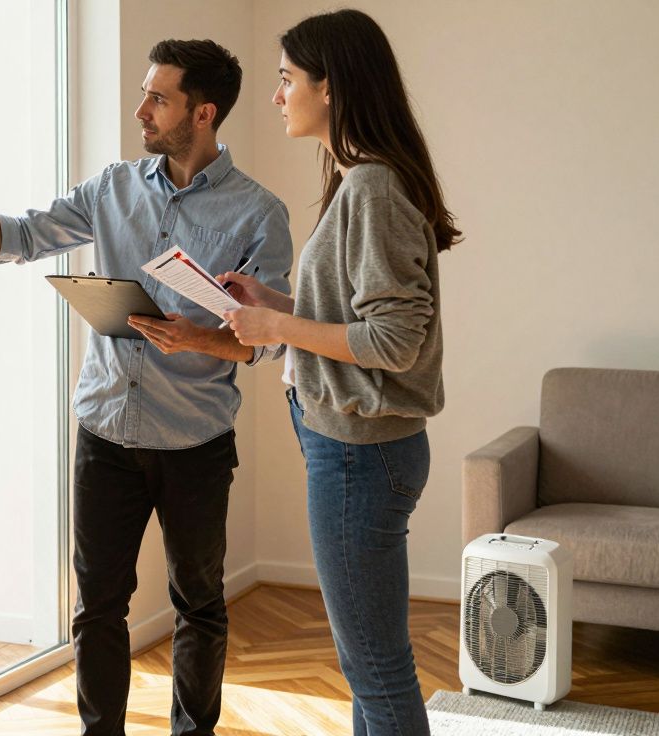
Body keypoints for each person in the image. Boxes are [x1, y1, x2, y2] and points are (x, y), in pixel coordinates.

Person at [0, 39, 292, 736]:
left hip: (195, 442)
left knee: (200, 604)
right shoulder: (113, 187)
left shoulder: (258, 213)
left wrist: (202, 338)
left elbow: (271, 337)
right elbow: (15, 237)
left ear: (203, 112)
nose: (140, 109)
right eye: (144, 92)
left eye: (159, 97)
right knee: (96, 607)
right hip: (105, 435)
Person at [221, 9, 460, 736]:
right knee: (367, 663)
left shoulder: (374, 187)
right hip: (354, 445)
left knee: (375, 667)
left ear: (331, 88)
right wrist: (277, 302)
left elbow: (393, 341)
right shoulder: (363, 179)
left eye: (287, 79)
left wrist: (276, 327)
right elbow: (358, 315)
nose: (276, 96)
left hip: (360, 453)